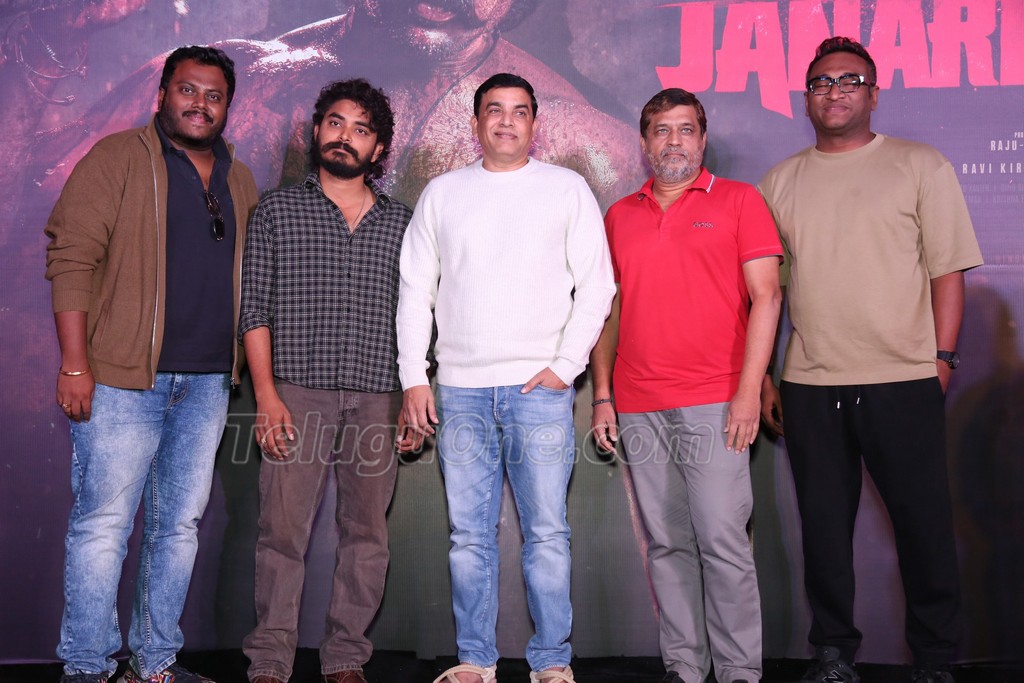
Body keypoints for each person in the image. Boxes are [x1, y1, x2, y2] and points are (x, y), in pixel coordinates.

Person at [758, 37, 983, 683]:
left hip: (903, 378)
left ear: (875, 93)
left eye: (850, 80)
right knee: (824, 532)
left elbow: (947, 272)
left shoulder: (920, 165)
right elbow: (768, 292)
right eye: (822, 82)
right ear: (806, 98)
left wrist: (941, 360)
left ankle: (935, 659)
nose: (835, 91)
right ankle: (833, 653)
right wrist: (767, 375)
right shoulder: (780, 182)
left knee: (924, 527)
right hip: (810, 383)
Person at [44, 45, 259, 683]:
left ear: (227, 107)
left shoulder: (240, 179)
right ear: (162, 94)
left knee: (178, 528)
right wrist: (75, 365)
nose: (200, 104)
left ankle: (155, 662)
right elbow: (70, 259)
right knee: (103, 526)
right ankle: (87, 668)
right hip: (120, 380)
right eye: (188, 90)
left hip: (208, 384)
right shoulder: (116, 158)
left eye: (214, 96)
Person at [396, 73, 615, 683]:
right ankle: (475, 660)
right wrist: (414, 376)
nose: (506, 121)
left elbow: (598, 286)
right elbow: (415, 290)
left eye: (519, 111)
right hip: (459, 390)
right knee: (469, 537)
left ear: (534, 124)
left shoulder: (566, 189)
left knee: (547, 534)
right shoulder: (443, 193)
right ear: (476, 123)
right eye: (494, 110)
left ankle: (553, 662)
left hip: (538, 393)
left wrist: (565, 368)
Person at [589, 88, 782, 683]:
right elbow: (606, 313)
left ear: (703, 139)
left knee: (722, 541)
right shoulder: (619, 216)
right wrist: (603, 395)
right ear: (645, 142)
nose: (674, 141)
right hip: (639, 403)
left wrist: (747, 393)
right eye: (662, 130)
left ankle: (739, 671)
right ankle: (684, 666)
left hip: (717, 401)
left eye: (686, 129)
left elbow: (768, 297)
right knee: (667, 544)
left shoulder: (741, 201)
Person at [237, 78, 415, 683]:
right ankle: (269, 660)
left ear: (378, 148)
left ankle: (345, 658)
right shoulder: (276, 211)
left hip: (378, 396)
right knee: (282, 534)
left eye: (361, 129)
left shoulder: (403, 224)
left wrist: (411, 397)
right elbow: (253, 310)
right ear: (316, 131)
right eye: (335, 123)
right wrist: (266, 397)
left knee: (367, 535)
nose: (345, 136)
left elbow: (421, 316)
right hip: (296, 393)